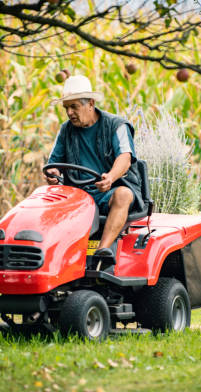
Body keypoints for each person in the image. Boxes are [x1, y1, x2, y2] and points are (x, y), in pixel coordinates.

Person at [44, 75, 143, 257]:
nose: (69, 113)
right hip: (78, 195)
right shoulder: (66, 130)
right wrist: (52, 173)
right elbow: (54, 163)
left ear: (90, 103)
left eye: (74, 107)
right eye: (67, 108)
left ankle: (102, 251)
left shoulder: (116, 125)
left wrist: (111, 177)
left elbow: (125, 157)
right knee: (44, 197)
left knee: (123, 194)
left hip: (108, 193)